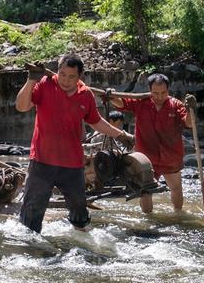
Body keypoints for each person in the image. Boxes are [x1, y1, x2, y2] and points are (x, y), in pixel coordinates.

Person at [15, 55, 135, 233]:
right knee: (32, 209)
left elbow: (96, 121)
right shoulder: (46, 84)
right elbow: (21, 106)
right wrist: (31, 80)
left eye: (72, 77)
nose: (65, 80)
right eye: (62, 74)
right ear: (57, 71)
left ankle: (82, 241)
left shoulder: (85, 94)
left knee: (79, 209)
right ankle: (30, 246)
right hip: (42, 160)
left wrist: (121, 134)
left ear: (80, 76)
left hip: (71, 164)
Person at [108, 74, 195, 213]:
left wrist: (191, 110)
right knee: (145, 191)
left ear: (168, 90)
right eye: (155, 93)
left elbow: (189, 123)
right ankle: (148, 220)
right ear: (149, 90)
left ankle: (178, 215)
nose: (159, 97)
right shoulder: (142, 102)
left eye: (163, 93)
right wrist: (111, 95)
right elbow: (122, 103)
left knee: (176, 188)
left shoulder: (176, 105)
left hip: (170, 156)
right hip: (146, 158)